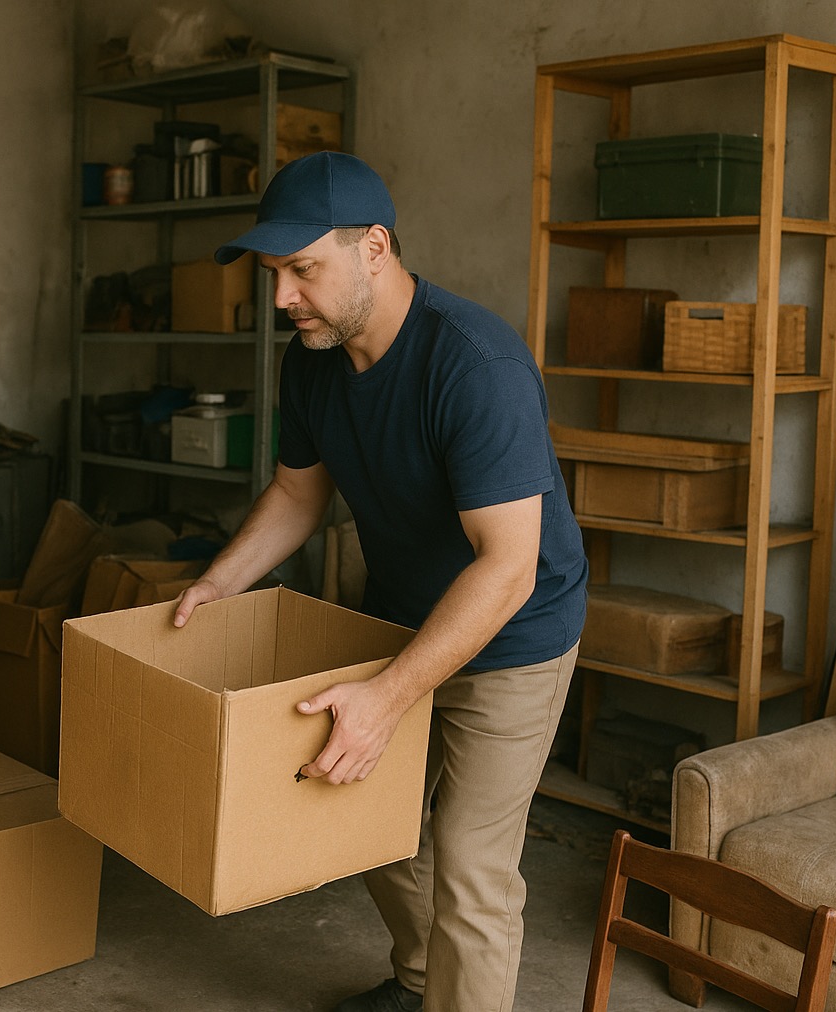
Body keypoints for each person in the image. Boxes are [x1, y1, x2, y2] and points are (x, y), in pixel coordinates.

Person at [171, 151, 587, 1012]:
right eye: (274, 274)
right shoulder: (313, 360)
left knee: (471, 867)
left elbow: (507, 568)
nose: (282, 297)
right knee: (370, 828)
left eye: (302, 270)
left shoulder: (476, 367)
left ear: (374, 248)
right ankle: (421, 983)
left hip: (514, 634)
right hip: (400, 616)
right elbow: (298, 493)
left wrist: (387, 698)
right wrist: (220, 584)